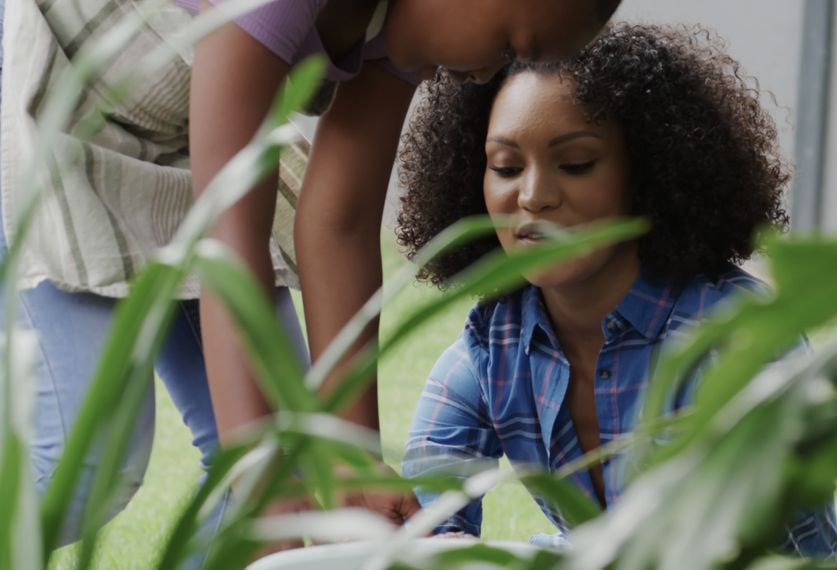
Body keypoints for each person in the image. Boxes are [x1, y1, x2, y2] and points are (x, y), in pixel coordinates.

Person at [0, 0, 621, 555]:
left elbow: (339, 225)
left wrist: (350, 464)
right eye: (511, 48)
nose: (488, 75)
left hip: (178, 165)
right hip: (42, 114)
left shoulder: (396, 35)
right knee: (85, 466)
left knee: (283, 455)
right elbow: (229, 239)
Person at [397, 24, 837, 559]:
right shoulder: (495, 343)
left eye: (576, 163)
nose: (534, 196)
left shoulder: (737, 341)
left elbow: (791, 554)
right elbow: (423, 528)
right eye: (507, 167)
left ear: (648, 173)